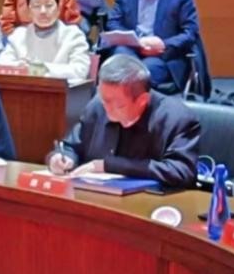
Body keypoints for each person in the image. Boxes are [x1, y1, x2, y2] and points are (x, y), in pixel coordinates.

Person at [47, 54, 199, 186]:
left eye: (118, 105)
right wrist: (62, 158)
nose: (107, 109)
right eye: (104, 100)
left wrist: (108, 165)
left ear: (142, 100)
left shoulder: (176, 118)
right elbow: (71, 146)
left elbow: (182, 172)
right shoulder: (97, 106)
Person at [104, 0, 200, 93]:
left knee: (140, 75)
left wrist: (163, 44)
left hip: (163, 56)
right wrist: (136, 41)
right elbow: (113, 23)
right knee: (120, 62)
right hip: (131, 49)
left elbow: (190, 32)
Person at [0, 0, 91, 81]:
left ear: (58, 9)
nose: (43, 11)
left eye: (49, 5)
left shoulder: (73, 35)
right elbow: (0, 65)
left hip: (59, 89)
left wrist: (41, 69)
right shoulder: (19, 35)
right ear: (28, 11)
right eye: (36, 6)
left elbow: (80, 71)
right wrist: (20, 66)